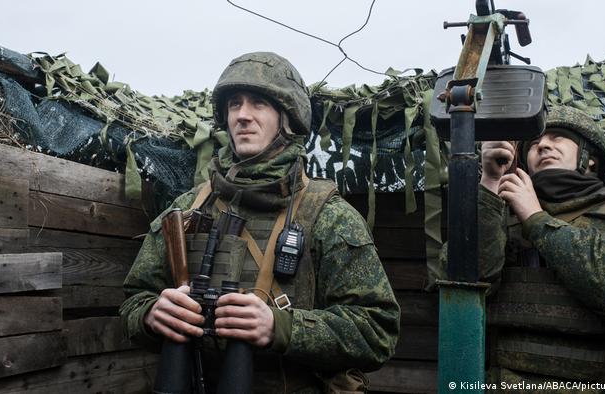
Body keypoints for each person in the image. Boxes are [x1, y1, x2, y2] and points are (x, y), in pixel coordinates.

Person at [119, 51, 400, 393]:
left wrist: (281, 327)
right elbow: (135, 299)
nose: (242, 116)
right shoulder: (187, 210)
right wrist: (151, 315)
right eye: (234, 104)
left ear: (288, 119)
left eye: (259, 104)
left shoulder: (329, 216)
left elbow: (377, 331)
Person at [473, 106, 605, 391]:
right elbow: (463, 285)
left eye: (558, 137)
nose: (543, 145)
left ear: (591, 158)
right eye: (534, 143)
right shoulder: (497, 217)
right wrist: (489, 184)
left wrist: (536, 220)